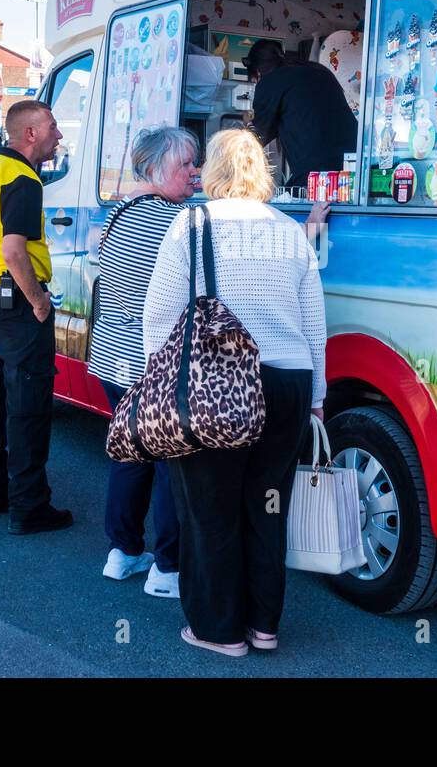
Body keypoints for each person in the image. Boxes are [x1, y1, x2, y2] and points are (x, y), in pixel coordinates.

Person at [142, 128, 326, 656]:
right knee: (268, 507)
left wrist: (163, 381)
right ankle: (265, 626)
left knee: (209, 509)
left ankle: (219, 630)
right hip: (287, 384)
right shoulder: (290, 230)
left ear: (214, 171)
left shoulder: (190, 225)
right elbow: (315, 320)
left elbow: (160, 315)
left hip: (215, 382)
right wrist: (317, 392)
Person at [88, 126, 196, 598]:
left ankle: (122, 552)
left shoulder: (121, 211)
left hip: (114, 359)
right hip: (153, 363)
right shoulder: (174, 219)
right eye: (186, 165)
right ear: (156, 168)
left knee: (131, 453)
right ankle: (167, 570)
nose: (196, 173)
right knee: (174, 462)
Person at [0, 100, 73, 535]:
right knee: (28, 406)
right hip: (17, 302)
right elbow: (14, 250)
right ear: (30, 133)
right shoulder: (23, 178)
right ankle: (30, 508)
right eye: (52, 127)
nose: (59, 135)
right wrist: (40, 302)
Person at [244, 38, 359, 190]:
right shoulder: (319, 70)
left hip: (318, 176)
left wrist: (247, 128)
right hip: (353, 168)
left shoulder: (270, 81)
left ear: (257, 71)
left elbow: (258, 137)